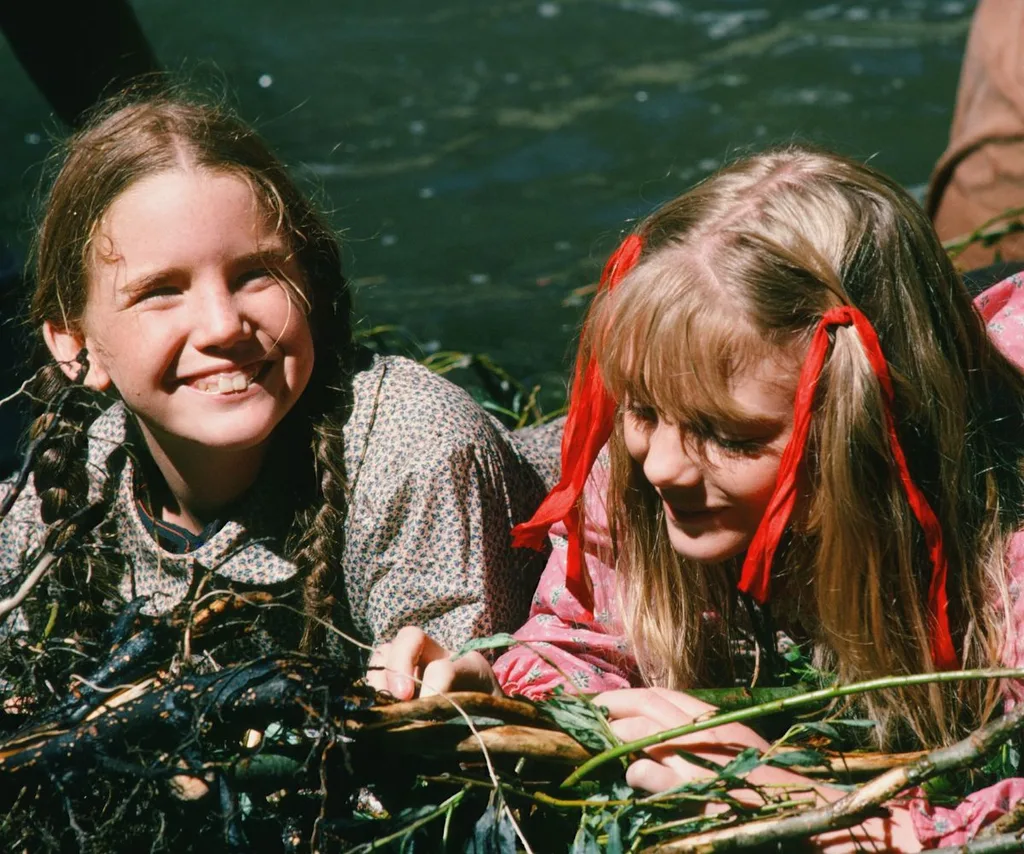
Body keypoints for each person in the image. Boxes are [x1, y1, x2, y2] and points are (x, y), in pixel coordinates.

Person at [377, 145, 1024, 850]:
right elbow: (580, 642)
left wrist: (823, 809)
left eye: (726, 435)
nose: (660, 467)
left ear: (869, 433)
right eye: (642, 410)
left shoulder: (1006, 542)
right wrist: (491, 691)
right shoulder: (636, 477)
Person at [0, 90, 549, 675]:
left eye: (256, 274)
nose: (222, 326)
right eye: (161, 291)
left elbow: (459, 720)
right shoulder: (49, 506)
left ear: (307, 283)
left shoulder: (416, 452)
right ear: (72, 341)